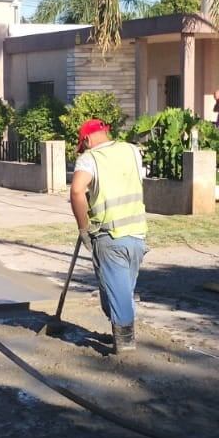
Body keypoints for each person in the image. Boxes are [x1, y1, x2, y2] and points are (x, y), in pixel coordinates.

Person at [70, 118, 148, 353]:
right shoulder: (133, 151)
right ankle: (120, 325)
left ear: (86, 139)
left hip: (109, 236)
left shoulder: (89, 158)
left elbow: (76, 191)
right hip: (137, 235)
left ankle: (125, 347)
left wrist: (83, 227)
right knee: (120, 290)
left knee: (118, 294)